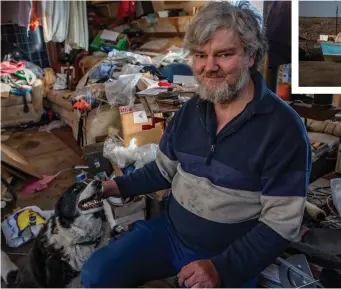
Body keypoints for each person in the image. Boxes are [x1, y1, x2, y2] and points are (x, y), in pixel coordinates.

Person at [81, 1, 311, 288]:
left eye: (224, 54)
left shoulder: (282, 129)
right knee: (95, 274)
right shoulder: (192, 110)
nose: (209, 67)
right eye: (201, 55)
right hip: (170, 235)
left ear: (250, 56)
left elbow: (282, 222)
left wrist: (221, 268)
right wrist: (114, 187)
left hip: (228, 255)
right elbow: (163, 171)